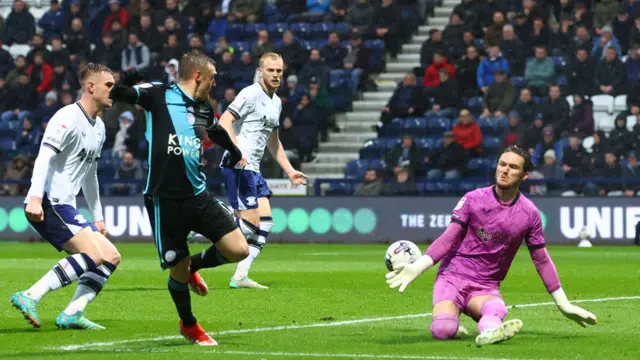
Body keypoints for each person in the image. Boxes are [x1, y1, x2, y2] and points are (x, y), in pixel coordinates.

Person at [386, 145, 597, 345]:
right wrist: (418, 266)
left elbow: (541, 259)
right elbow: (448, 238)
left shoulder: (530, 213)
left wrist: (563, 304)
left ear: (524, 176)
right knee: (443, 330)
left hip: (485, 286)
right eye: (502, 164)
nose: (505, 170)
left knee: (495, 308)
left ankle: (489, 333)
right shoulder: (473, 199)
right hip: (452, 277)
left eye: (513, 167)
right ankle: (453, 324)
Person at [109, 52, 250, 346]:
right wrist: (132, 77)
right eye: (211, 78)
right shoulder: (158, 94)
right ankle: (189, 324)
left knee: (239, 250)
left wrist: (235, 152)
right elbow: (119, 93)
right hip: (165, 200)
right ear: (198, 76)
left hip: (199, 195)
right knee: (177, 269)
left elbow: (217, 132)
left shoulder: (201, 108)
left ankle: (194, 267)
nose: (213, 85)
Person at [10, 63, 121, 330]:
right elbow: (44, 157)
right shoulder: (67, 117)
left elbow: (90, 174)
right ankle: (30, 295)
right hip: (50, 201)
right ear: (90, 87)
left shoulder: (100, 127)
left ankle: (72, 312)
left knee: (111, 256)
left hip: (66, 204)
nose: (112, 91)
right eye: (108, 85)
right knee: (93, 254)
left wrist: (98, 218)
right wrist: (35, 197)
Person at [209, 52, 308, 289]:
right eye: (271, 70)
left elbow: (273, 142)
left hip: (254, 169)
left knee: (266, 223)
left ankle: (240, 276)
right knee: (251, 226)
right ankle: (206, 221)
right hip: (239, 166)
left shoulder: (276, 102)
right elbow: (224, 121)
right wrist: (236, 151)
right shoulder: (251, 93)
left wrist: (290, 170)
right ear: (260, 71)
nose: (276, 74)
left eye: (279, 71)